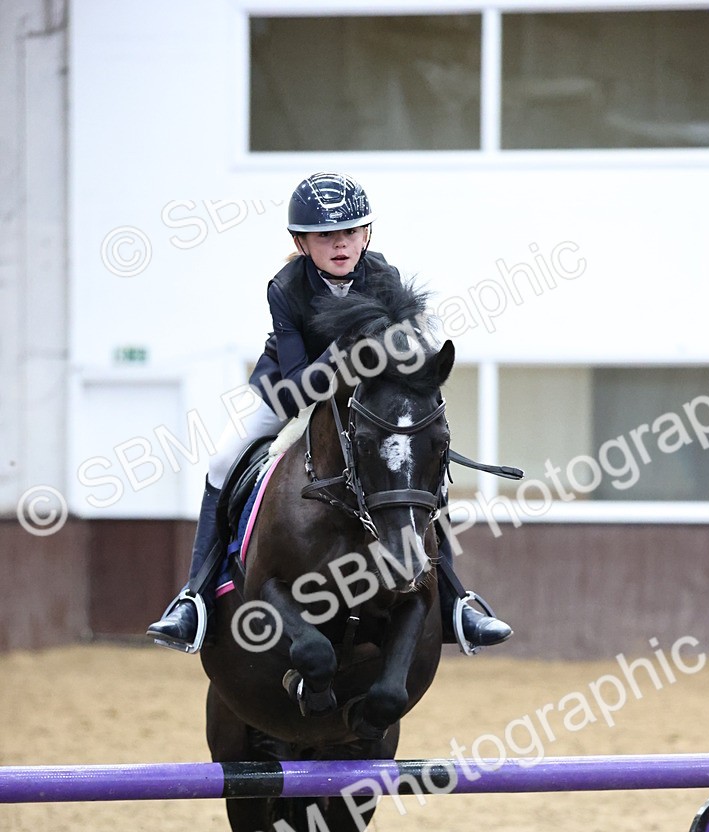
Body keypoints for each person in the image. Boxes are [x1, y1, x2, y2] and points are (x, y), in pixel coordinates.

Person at [147, 172, 512, 654]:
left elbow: (402, 357)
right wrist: (344, 349)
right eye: (325, 236)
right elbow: (300, 382)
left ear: (366, 235)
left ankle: (453, 601)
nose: (340, 245)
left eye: (350, 232)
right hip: (288, 388)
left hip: (362, 393)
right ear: (301, 243)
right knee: (222, 459)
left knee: (416, 466)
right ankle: (194, 597)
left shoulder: (382, 277)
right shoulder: (285, 287)